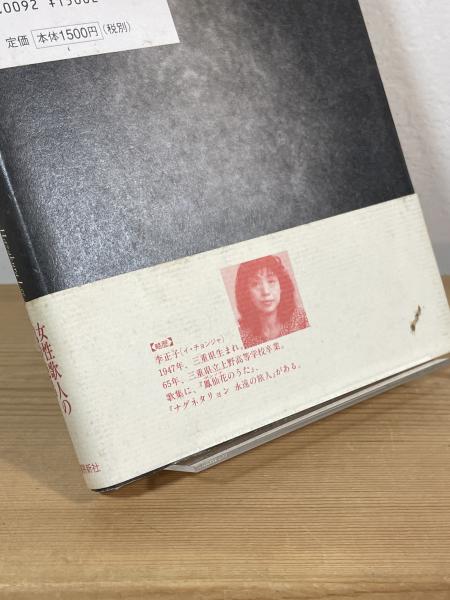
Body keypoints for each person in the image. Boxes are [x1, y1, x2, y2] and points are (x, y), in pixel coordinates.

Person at [235, 254, 309, 349]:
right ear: (246, 292)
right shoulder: (242, 337)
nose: (266, 292)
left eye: (271, 281)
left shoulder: (301, 320)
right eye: (255, 284)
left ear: (282, 286)